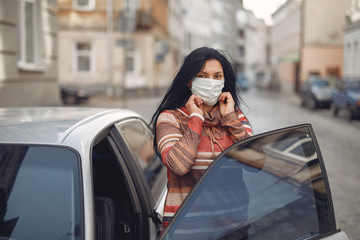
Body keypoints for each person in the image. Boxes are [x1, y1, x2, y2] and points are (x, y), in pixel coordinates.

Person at [150, 47, 253, 229]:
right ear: (190, 81)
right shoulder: (170, 118)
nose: (210, 82)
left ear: (224, 82)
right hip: (187, 229)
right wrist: (196, 119)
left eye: (217, 76)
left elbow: (256, 163)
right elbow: (179, 166)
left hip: (233, 227)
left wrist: (230, 119)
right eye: (203, 76)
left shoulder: (236, 117)